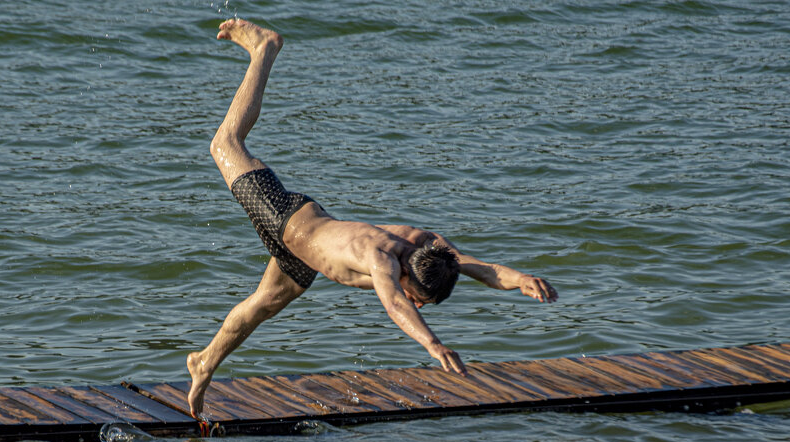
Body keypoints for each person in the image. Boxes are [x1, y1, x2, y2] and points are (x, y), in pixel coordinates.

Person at [186, 19, 559, 418]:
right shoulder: (381, 259)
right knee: (224, 143)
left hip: (304, 255)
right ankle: (264, 49)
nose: (419, 304)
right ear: (407, 278)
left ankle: (203, 363)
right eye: (421, 297)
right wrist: (433, 345)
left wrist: (519, 279)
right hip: (283, 215)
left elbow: (478, 269)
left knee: (259, 306)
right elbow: (397, 307)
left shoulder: (427, 246)